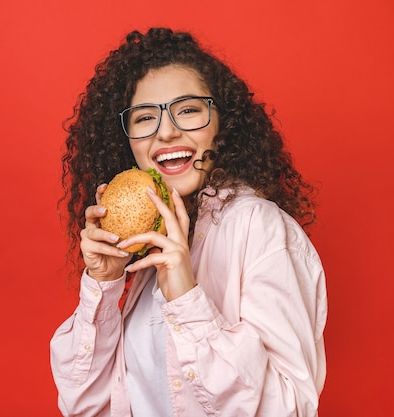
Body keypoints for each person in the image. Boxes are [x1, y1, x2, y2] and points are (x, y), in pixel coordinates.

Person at [50, 27, 328, 417]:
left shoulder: (259, 228)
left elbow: (291, 408)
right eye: (145, 117)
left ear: (223, 123)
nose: (166, 131)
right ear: (126, 141)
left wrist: (186, 297)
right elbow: (86, 406)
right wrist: (105, 283)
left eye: (189, 110)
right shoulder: (153, 248)